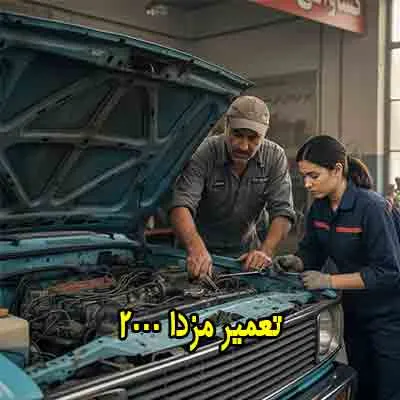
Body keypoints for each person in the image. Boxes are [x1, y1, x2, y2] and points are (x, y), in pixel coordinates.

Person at [273, 135, 400, 400]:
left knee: (389, 389)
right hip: (352, 312)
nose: (307, 184)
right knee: (361, 385)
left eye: (313, 176)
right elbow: (312, 251)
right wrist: (297, 261)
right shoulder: (318, 209)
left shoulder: (371, 208)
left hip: (389, 315)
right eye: (304, 176)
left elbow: (387, 272)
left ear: (337, 170)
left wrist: (329, 281)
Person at [169, 95, 296, 279]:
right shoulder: (203, 152)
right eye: (237, 135)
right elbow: (181, 205)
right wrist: (195, 248)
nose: (243, 146)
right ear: (226, 125)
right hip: (197, 254)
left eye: (253, 138)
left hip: (244, 257)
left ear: (264, 134)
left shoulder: (275, 157)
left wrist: (265, 251)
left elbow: (283, 211)